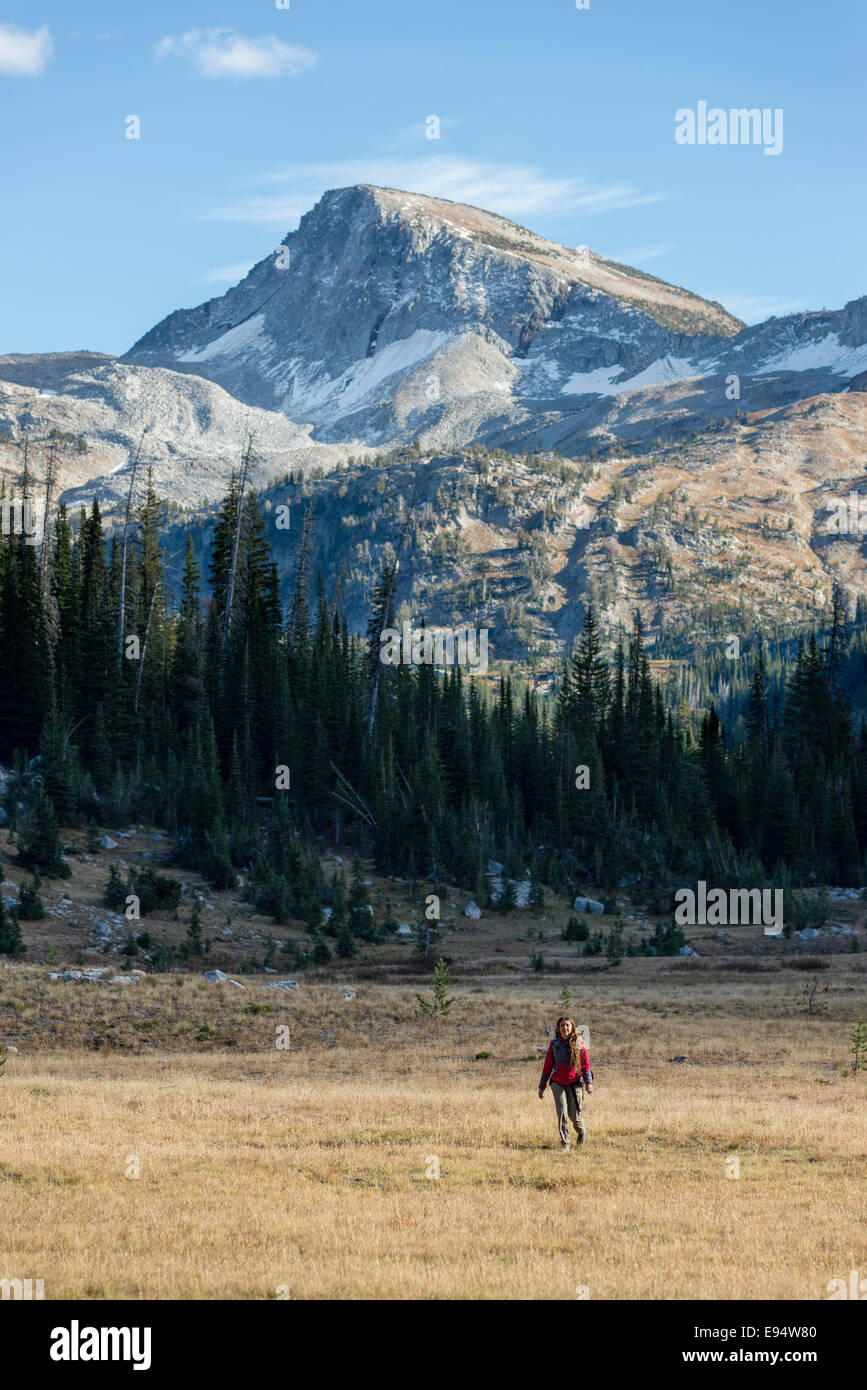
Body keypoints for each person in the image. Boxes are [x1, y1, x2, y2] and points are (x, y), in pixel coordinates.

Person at [538, 1016, 593, 1151]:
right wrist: (542, 1086)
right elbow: (547, 1066)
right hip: (557, 1083)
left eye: (567, 1025)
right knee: (562, 1112)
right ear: (558, 1028)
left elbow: (585, 1065)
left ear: (572, 1027)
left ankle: (581, 1132)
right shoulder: (554, 1044)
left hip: (574, 1083)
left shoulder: (579, 1042)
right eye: (562, 1025)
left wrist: (588, 1083)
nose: (565, 1028)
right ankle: (565, 1144)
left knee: (574, 1116)